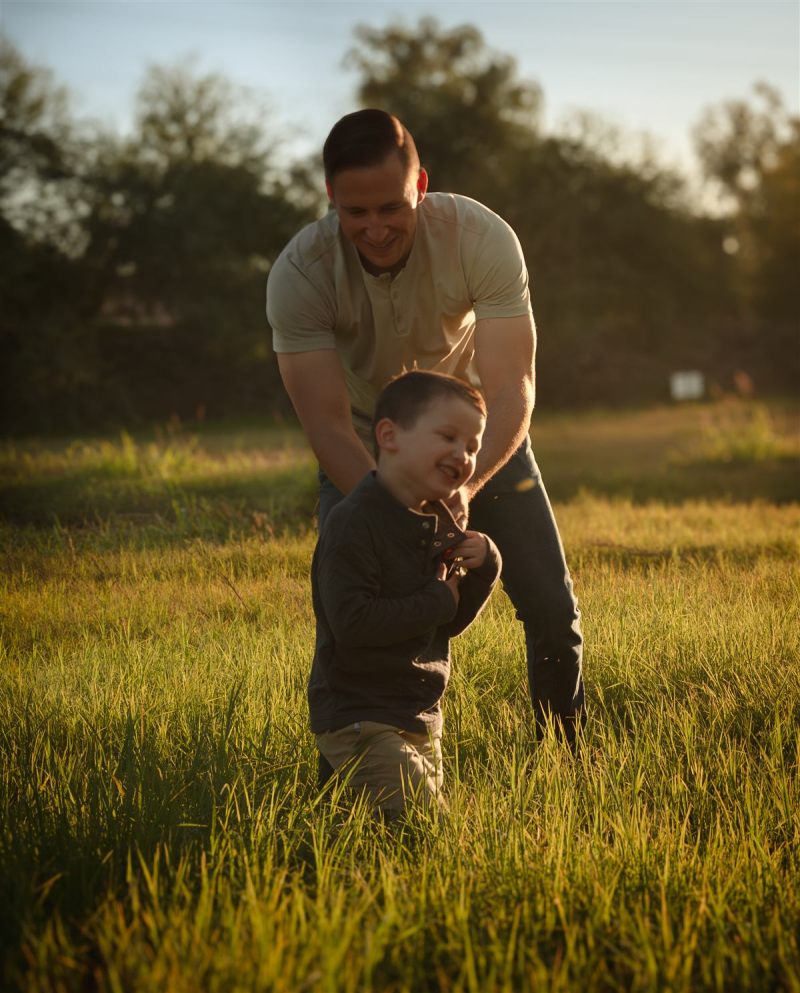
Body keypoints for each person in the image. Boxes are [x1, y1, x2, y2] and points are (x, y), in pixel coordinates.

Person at [267, 109, 584, 762]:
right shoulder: (300, 272)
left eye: (392, 206)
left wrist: (465, 481)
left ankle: (566, 756)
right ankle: (350, 779)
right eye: (356, 212)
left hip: (480, 441)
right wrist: (393, 509)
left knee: (552, 610)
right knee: (352, 622)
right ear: (331, 197)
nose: (375, 227)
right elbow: (323, 419)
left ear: (421, 185)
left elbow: (510, 386)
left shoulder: (479, 235)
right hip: (364, 451)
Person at [310, 370, 501, 816]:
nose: (464, 454)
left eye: (473, 446)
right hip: (361, 715)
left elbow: (446, 621)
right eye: (449, 436)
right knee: (427, 824)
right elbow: (352, 623)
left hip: (419, 713)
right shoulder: (354, 522)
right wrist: (436, 600)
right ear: (389, 435)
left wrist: (485, 568)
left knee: (388, 835)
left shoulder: (436, 521)